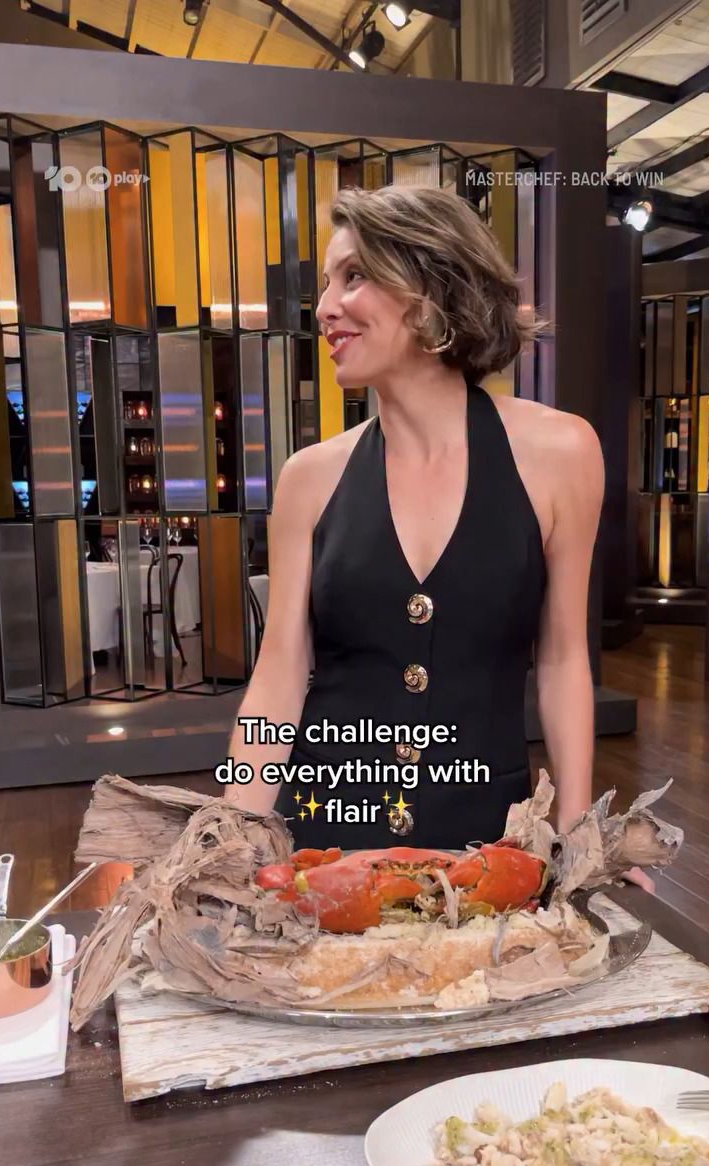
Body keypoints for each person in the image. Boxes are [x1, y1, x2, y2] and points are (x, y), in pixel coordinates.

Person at [222, 184, 642, 876]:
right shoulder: (308, 478)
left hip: (487, 843)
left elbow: (565, 656)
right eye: (325, 283)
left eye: (353, 276)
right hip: (328, 837)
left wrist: (577, 830)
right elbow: (279, 677)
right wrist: (233, 834)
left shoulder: (562, 452)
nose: (324, 308)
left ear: (429, 291)